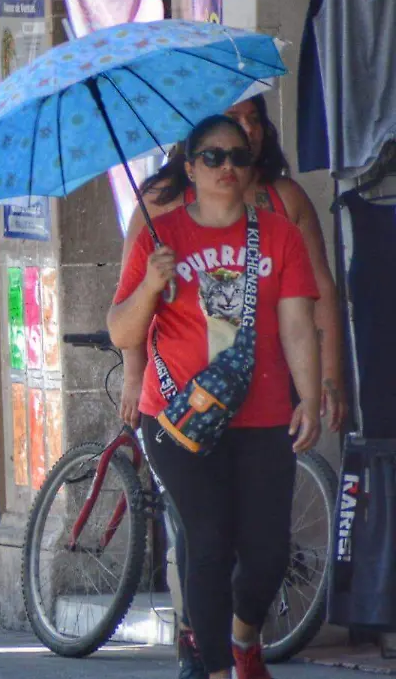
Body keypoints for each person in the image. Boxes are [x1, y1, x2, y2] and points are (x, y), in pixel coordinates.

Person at [120, 96, 345, 679]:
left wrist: (311, 395)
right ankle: (216, 669)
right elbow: (122, 327)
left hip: (262, 412)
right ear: (188, 167)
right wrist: (151, 286)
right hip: (178, 418)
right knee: (210, 541)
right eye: (212, 156)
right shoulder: (158, 236)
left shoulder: (278, 236)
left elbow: (298, 325)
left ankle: (245, 637)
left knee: (269, 552)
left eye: (238, 157)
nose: (227, 166)